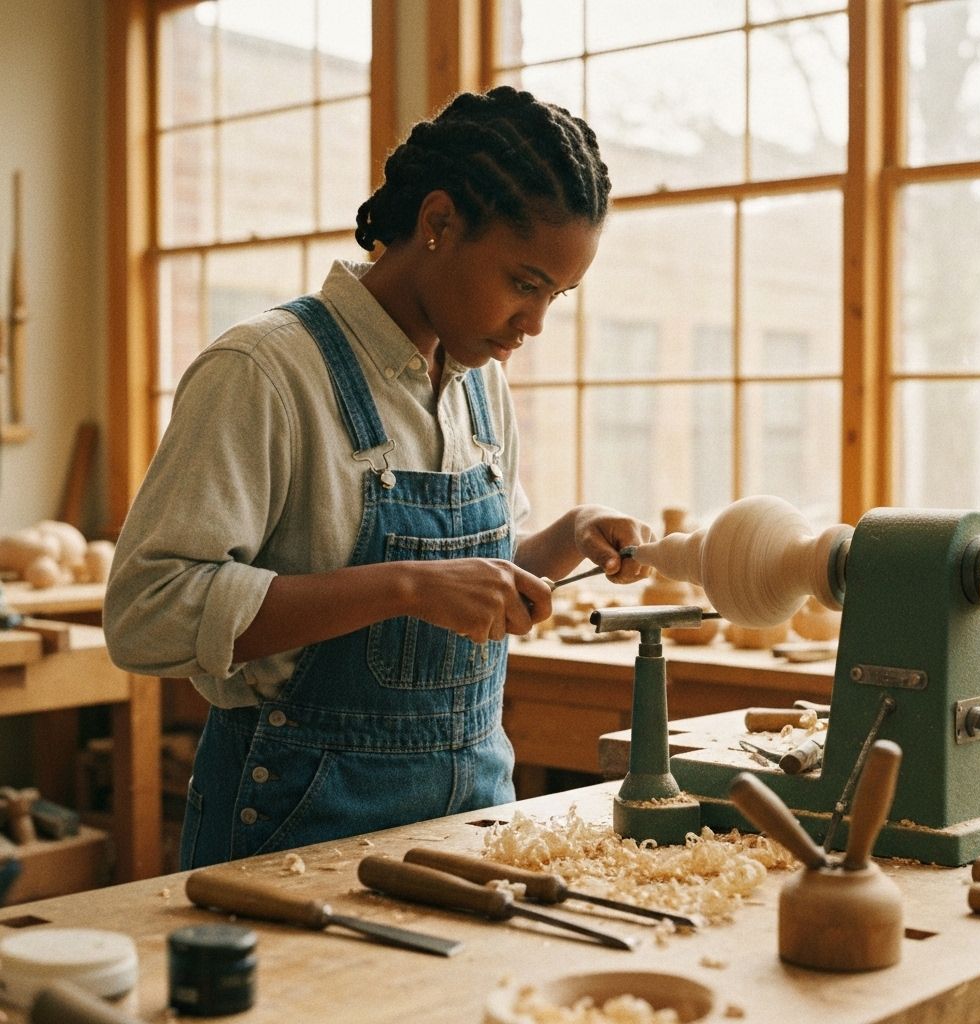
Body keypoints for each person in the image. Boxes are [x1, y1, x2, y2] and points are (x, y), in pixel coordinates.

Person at [104, 86, 654, 870]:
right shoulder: (264, 370)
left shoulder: (477, 378)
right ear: (437, 224)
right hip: (294, 831)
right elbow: (145, 611)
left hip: (472, 828)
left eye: (556, 297)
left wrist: (566, 539)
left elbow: (476, 596)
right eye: (524, 284)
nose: (534, 325)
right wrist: (405, 586)